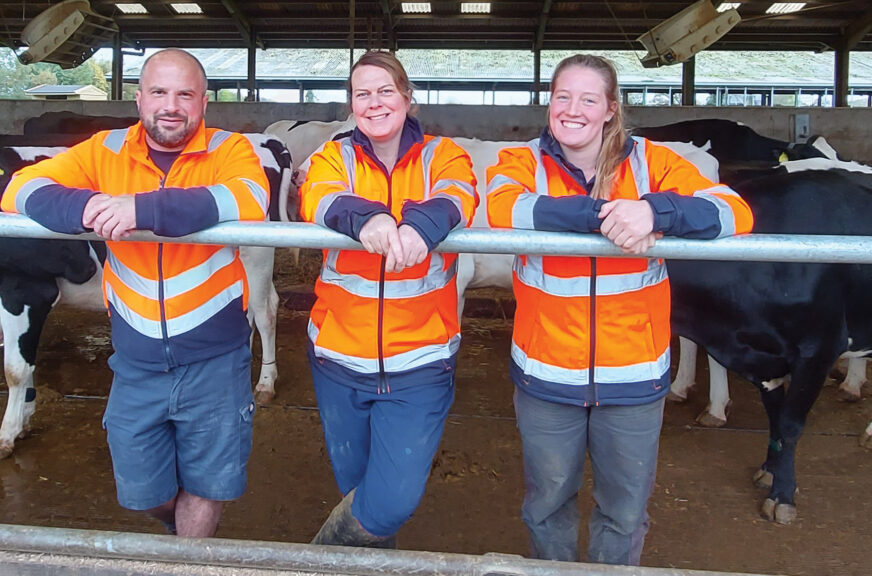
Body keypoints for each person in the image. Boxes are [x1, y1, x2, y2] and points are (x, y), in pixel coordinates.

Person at [485, 54, 753, 565]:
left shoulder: (655, 164)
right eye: (562, 96)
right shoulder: (522, 163)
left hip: (633, 378)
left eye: (589, 99)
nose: (572, 109)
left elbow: (734, 211)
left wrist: (658, 210)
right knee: (546, 505)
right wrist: (605, 216)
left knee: (625, 512)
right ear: (549, 105)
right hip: (546, 375)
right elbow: (504, 208)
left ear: (611, 108)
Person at [1, 49, 269, 538]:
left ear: (204, 102)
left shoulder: (229, 150)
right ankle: (182, 539)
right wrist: (91, 207)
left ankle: (187, 563)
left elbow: (249, 199)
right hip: (136, 358)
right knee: (147, 493)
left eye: (185, 94)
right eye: (160, 92)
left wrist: (141, 209)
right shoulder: (106, 150)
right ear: (139, 99)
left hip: (214, 357)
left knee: (208, 485)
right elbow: (18, 189)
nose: (172, 105)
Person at [299, 50, 478, 548]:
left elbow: (459, 193)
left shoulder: (443, 154)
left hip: (419, 360)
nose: (374, 103)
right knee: (357, 491)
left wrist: (422, 225)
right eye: (362, 94)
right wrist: (371, 219)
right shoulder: (333, 156)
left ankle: (322, 556)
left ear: (406, 97)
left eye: (385, 91)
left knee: (391, 500)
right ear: (351, 104)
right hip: (337, 355)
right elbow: (319, 195)